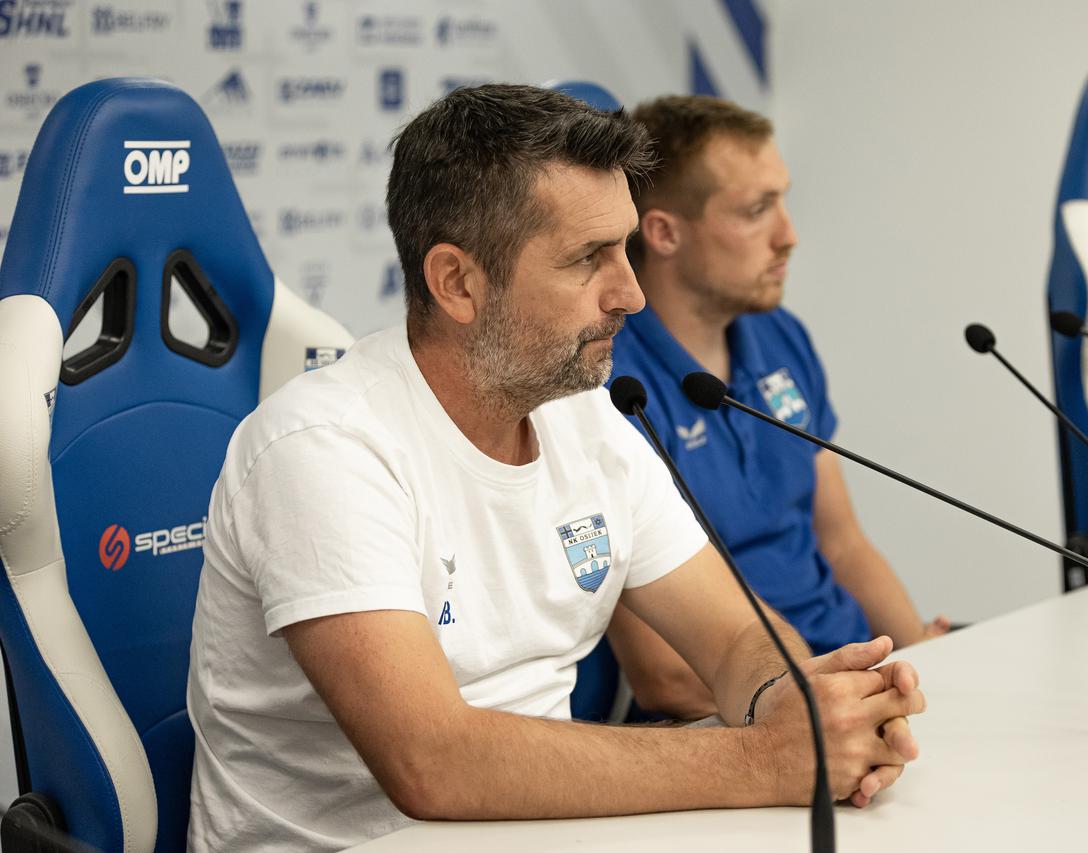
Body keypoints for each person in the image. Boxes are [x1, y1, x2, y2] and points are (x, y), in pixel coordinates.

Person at [185, 84, 925, 852]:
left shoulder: (590, 418)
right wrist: (764, 758)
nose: (631, 294)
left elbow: (739, 636)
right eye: (587, 259)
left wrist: (796, 708)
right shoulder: (322, 447)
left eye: (626, 248)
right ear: (457, 282)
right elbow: (433, 762)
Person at [607, 95, 947, 721]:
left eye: (782, 202)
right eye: (756, 210)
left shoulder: (779, 334)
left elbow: (843, 544)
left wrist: (927, 664)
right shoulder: (608, 385)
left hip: (850, 683)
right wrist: (823, 709)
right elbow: (665, 676)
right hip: (743, 718)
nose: (788, 235)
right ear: (664, 233)